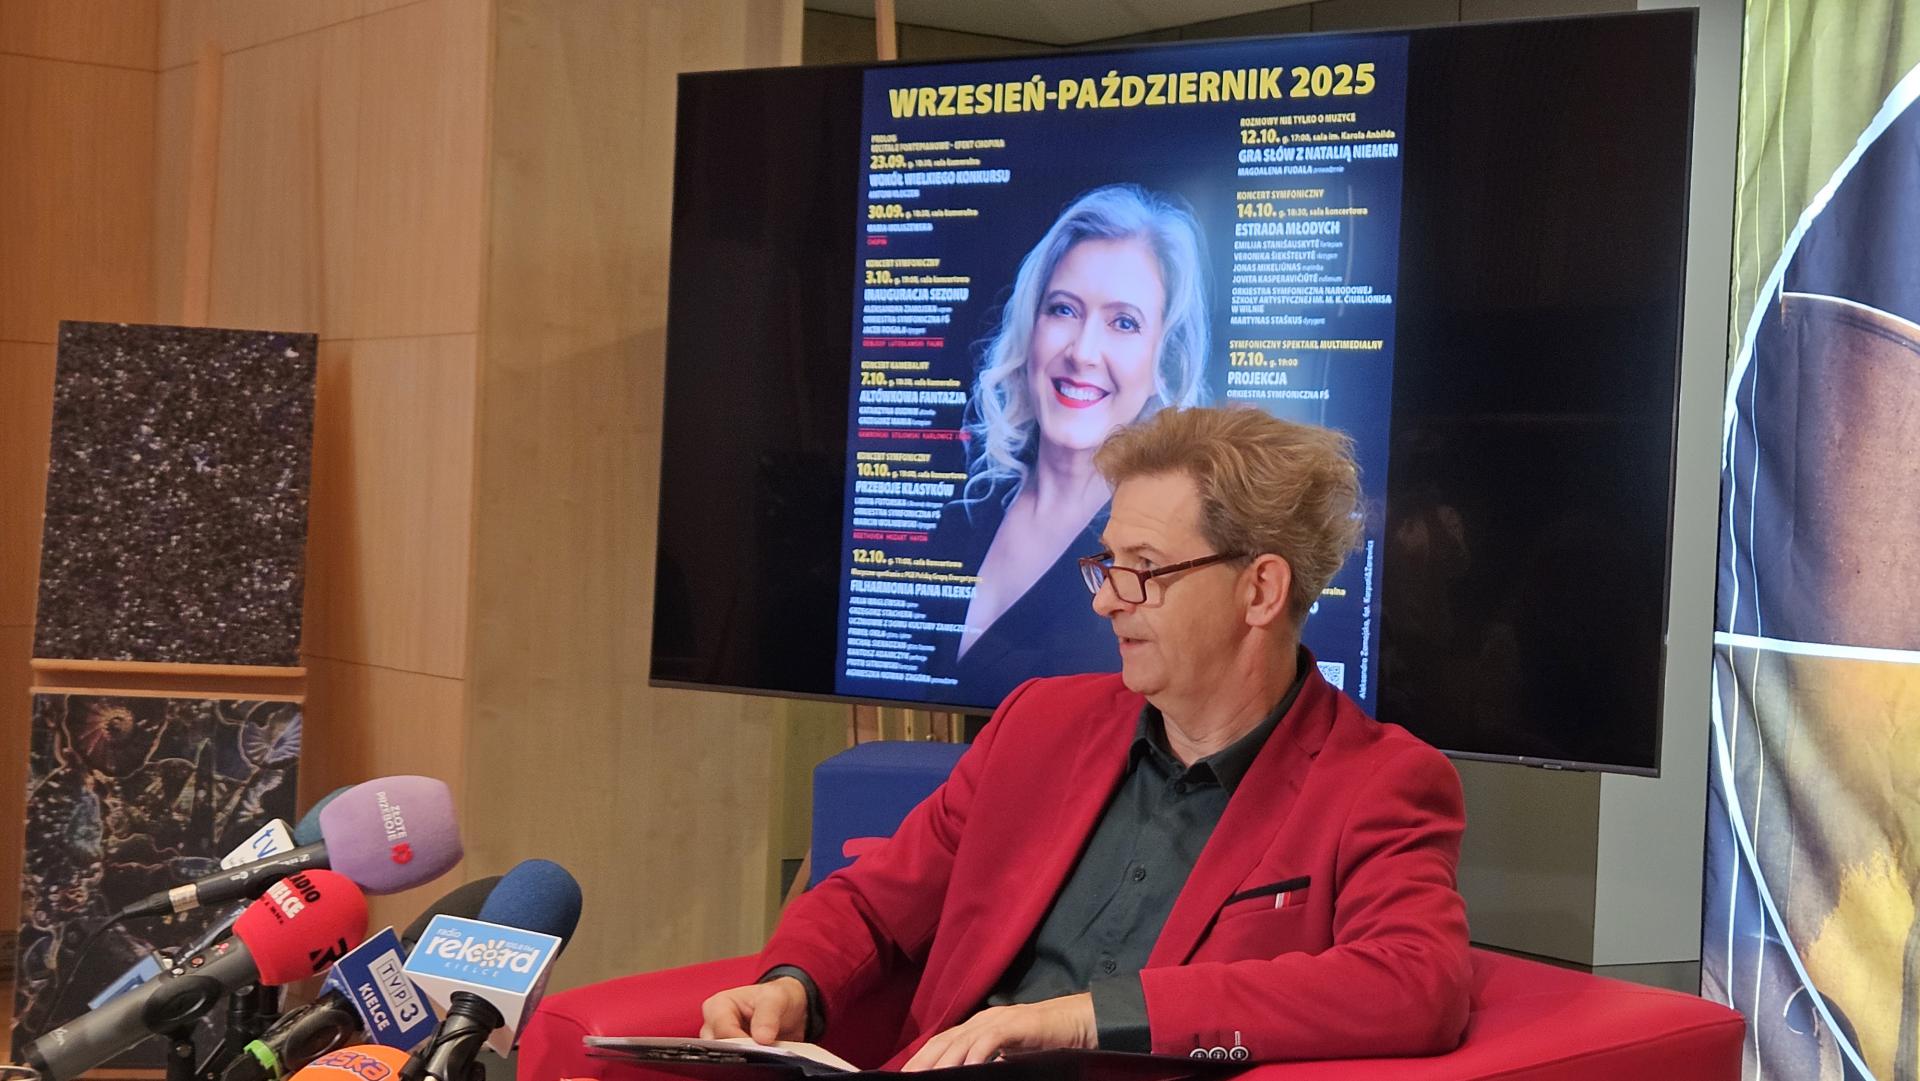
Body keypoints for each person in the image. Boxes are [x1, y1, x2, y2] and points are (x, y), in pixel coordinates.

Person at [706, 406, 1472, 1067]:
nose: (1106, 601)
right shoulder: (1038, 724)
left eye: (1144, 568)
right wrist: (791, 983)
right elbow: (873, 901)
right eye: (1108, 563)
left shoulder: (1379, 781)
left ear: (1261, 589)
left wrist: (1083, 1016)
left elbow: (1416, 982)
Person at [932, 184, 1210, 703]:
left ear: (1164, 362)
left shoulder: (1175, 550)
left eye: (1123, 322)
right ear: (1031, 325)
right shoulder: (965, 499)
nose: (1083, 352)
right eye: (1063, 310)